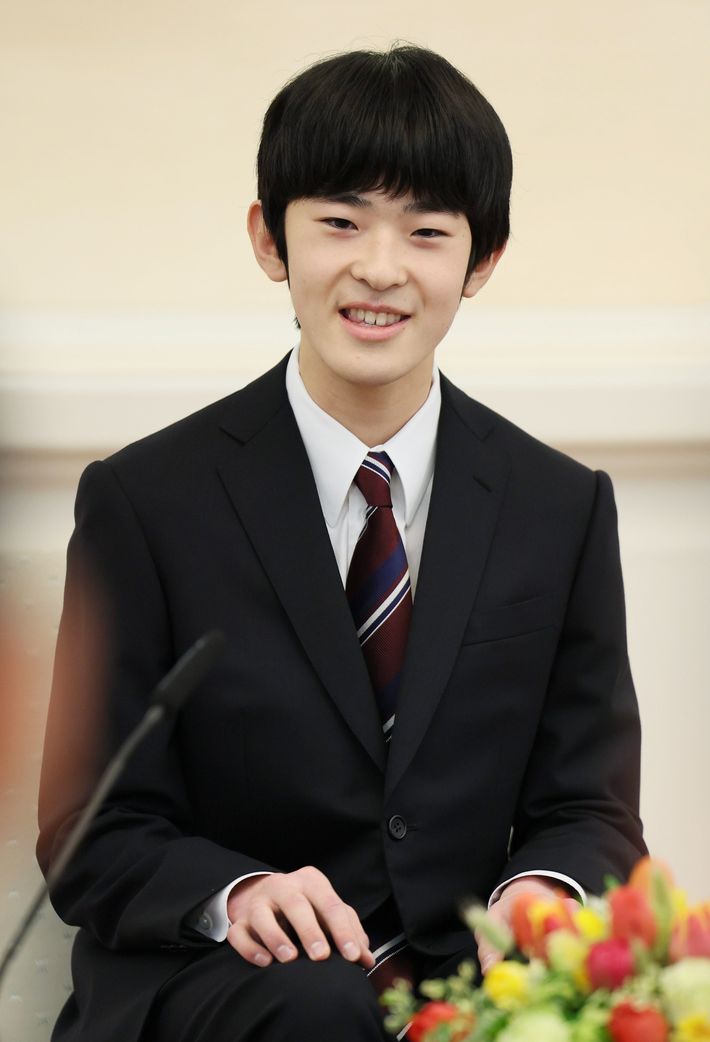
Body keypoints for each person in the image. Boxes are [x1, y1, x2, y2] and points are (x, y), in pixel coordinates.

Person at [37, 45, 646, 1041]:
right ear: (268, 238)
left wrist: (538, 893)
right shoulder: (144, 502)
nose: (379, 267)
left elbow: (589, 807)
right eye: (339, 222)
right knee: (319, 1003)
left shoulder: (561, 506)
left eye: (427, 232)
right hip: (224, 988)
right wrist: (236, 894)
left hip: (463, 985)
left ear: (482, 260)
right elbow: (90, 823)